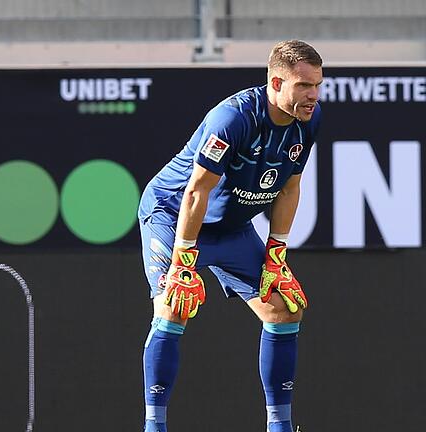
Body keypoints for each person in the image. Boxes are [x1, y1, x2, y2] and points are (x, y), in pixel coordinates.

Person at [137, 40, 323, 432]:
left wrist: (277, 252)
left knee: (285, 309)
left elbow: (289, 188)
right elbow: (196, 191)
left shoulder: (310, 119)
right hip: (174, 215)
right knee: (174, 305)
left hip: (231, 227)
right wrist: (183, 259)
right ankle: (154, 426)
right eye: (303, 86)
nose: (313, 95)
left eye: (317, 85)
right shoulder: (234, 118)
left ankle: (280, 425)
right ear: (276, 82)